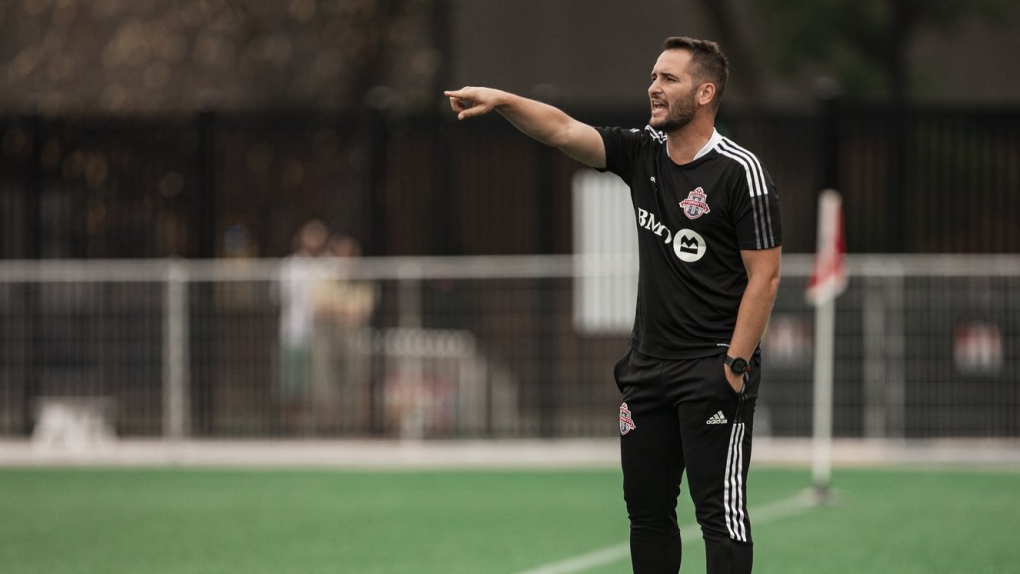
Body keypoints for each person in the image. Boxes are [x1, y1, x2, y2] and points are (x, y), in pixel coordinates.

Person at [445, 36, 781, 574]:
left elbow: (764, 278)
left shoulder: (739, 171)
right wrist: (503, 99)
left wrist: (734, 368)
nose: (653, 86)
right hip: (647, 370)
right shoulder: (642, 150)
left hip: (712, 367)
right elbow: (561, 129)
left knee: (720, 517)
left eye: (669, 78)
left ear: (705, 91)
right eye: (653, 76)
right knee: (647, 515)